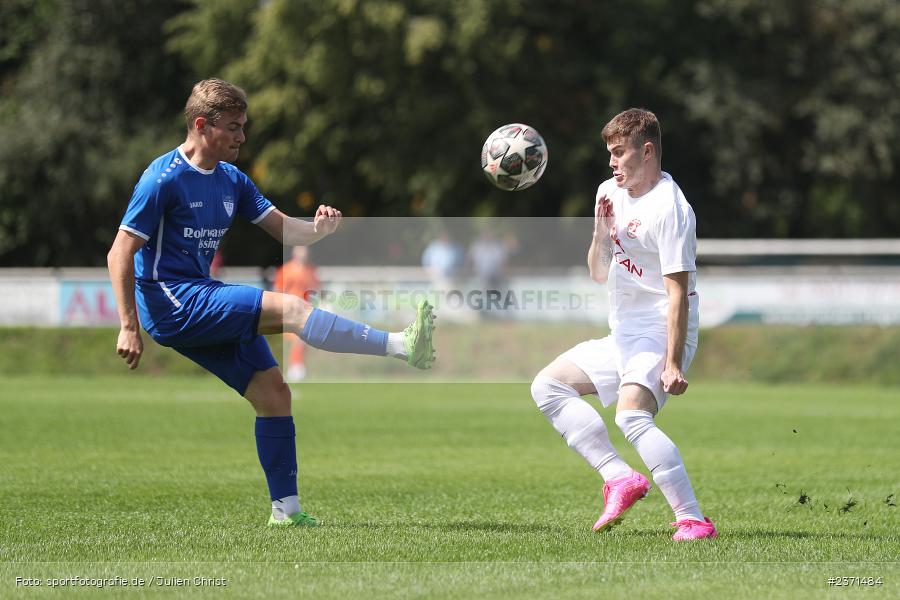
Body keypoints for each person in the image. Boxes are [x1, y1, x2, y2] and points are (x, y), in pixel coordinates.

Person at [107, 79, 435, 528]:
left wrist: (318, 230)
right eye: (234, 127)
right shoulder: (161, 179)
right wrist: (128, 325)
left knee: (275, 395)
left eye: (245, 126)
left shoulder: (231, 179)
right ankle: (401, 345)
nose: (242, 136)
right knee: (292, 309)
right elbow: (119, 251)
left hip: (199, 297)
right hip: (173, 301)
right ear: (202, 126)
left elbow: (284, 229)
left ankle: (287, 513)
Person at [530, 108, 716, 541]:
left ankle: (692, 520)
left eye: (619, 153)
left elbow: (677, 294)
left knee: (631, 416)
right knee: (547, 386)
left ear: (646, 150)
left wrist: (672, 363)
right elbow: (598, 272)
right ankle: (619, 478)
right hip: (624, 334)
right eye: (609, 154)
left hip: (660, 331)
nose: (612, 162)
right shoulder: (607, 192)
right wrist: (599, 234)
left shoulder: (672, 209)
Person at [273, 246, 320, 382]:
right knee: (298, 339)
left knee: (303, 340)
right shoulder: (286, 270)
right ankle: (296, 368)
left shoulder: (311, 270)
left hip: (306, 310)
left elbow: (316, 289)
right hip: (291, 309)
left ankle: (297, 367)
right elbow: (279, 289)